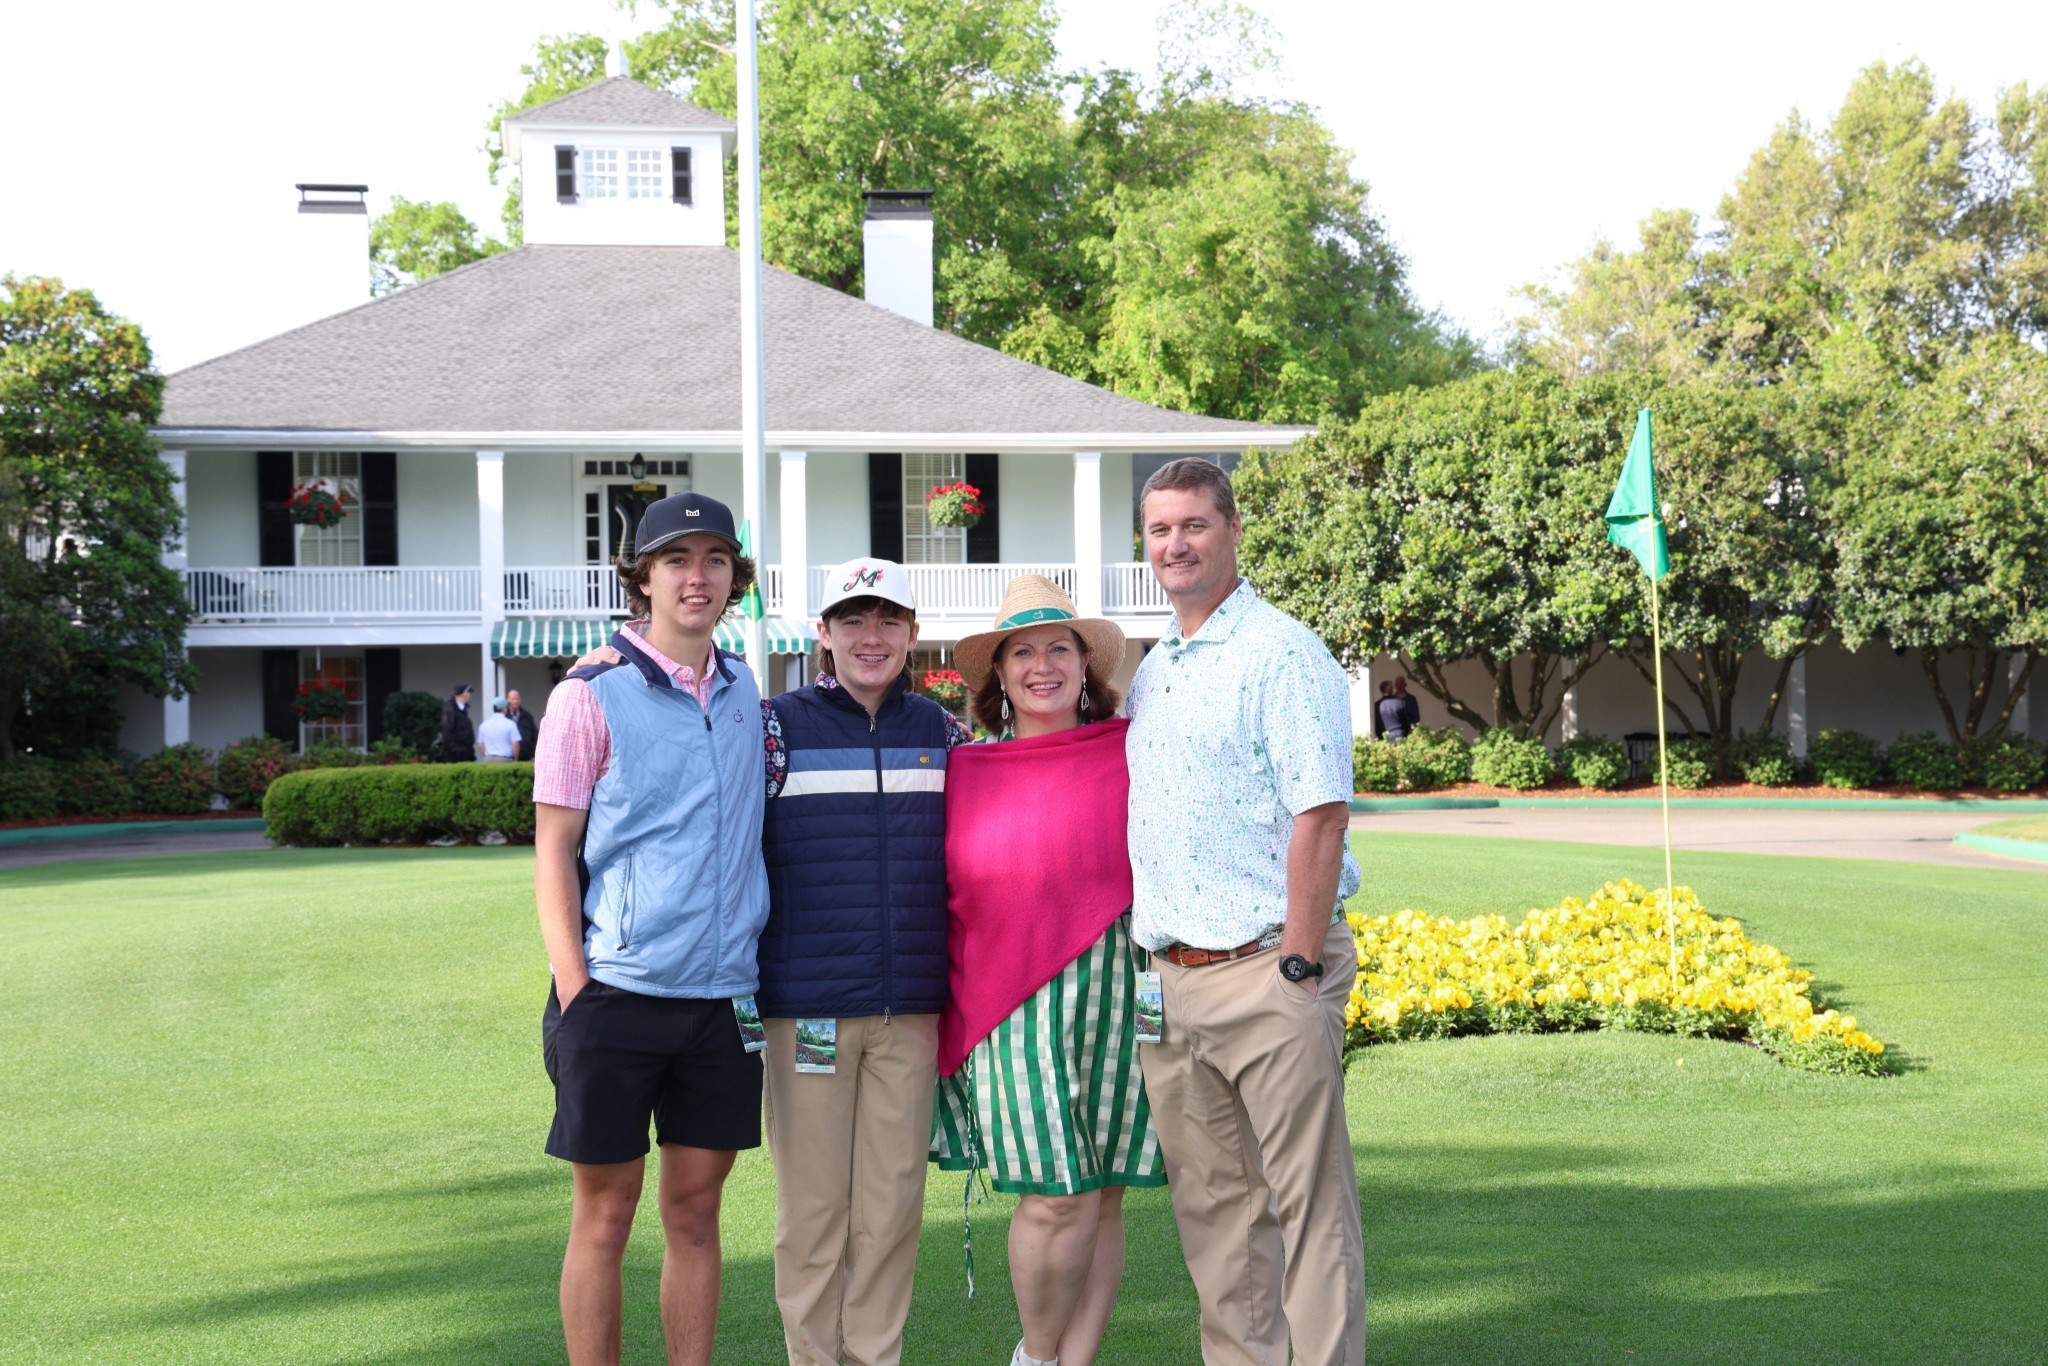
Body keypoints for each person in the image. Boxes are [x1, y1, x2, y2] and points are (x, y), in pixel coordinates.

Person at [1125, 458, 1365, 1366]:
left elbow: (1322, 816)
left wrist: (1298, 968)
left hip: (1269, 967)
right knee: (1218, 1218)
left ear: (1231, 530)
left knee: (1308, 1210)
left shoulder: (1281, 651)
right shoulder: (1160, 670)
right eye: (1159, 530)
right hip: (1173, 984)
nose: (1175, 544)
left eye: (1193, 525)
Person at [530, 491, 769, 1366]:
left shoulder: (747, 690)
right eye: (676, 560)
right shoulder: (588, 696)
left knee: (696, 1215)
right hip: (615, 995)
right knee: (604, 1216)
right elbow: (553, 850)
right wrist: (575, 989)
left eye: (712, 560)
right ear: (644, 579)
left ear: (733, 577)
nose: (695, 577)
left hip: (723, 1002)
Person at [931, 574, 1167, 1366]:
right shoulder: (963, 772)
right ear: (998, 675)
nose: (1042, 666)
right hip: (1007, 1006)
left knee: (1102, 1196)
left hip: (1118, 990)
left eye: (1058, 649)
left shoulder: (1132, 750)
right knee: (1051, 1193)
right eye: (1022, 652)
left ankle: (1077, 1360)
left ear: (1084, 666)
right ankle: (1035, 1357)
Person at [756, 558, 969, 1366]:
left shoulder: (944, 736)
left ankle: (875, 1357)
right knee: (813, 1214)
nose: (870, 637)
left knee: (891, 1209)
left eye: (887, 621)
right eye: (853, 620)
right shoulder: (775, 728)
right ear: (824, 633)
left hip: (910, 1010)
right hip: (806, 1009)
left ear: (913, 635)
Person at [477, 696, 523, 761]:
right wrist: (515, 760)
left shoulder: (484, 725)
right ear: (504, 708)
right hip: (505, 759)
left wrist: (485, 755)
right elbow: (515, 745)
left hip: (488, 759)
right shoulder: (510, 724)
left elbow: (480, 744)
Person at [440, 683, 475, 761]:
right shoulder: (450, 709)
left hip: (467, 751)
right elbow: (447, 730)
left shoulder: (463, 709)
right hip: (456, 753)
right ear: (464, 694)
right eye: (469, 693)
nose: (469, 695)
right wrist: (455, 748)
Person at [507, 688, 541, 761]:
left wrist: (533, 754)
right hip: (509, 756)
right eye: (513, 699)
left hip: (526, 756)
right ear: (508, 700)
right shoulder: (505, 717)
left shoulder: (527, 716)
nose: (515, 701)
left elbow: (535, 736)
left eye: (517, 699)